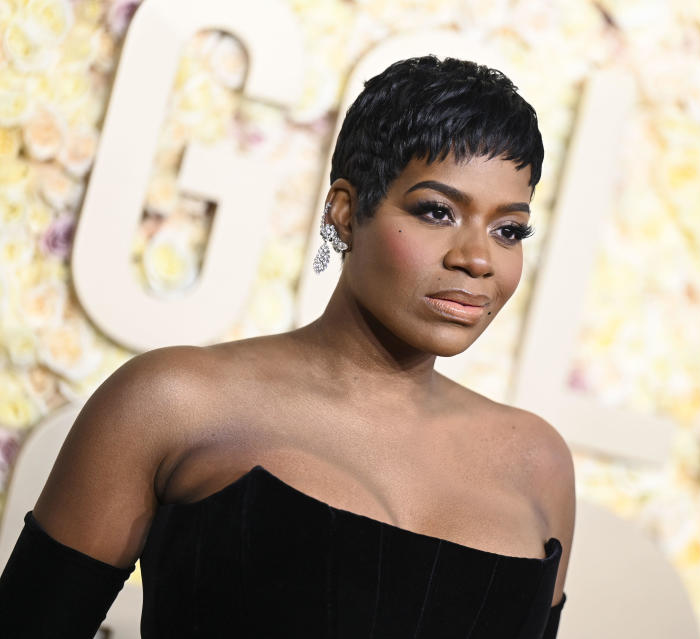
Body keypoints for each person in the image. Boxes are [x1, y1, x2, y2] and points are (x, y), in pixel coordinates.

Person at [0, 54, 574, 637]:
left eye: (509, 230)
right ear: (346, 213)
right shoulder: (171, 403)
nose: (476, 259)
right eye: (436, 212)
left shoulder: (537, 463)